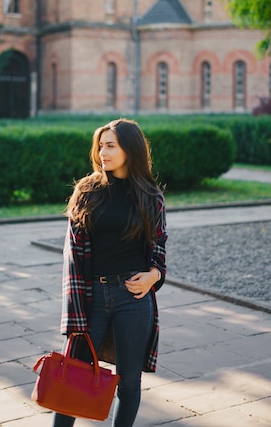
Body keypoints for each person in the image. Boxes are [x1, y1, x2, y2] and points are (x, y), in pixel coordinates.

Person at [53, 118, 167, 427]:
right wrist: (74, 314)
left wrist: (155, 275)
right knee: (72, 377)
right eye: (100, 146)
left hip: (132, 297)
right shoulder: (87, 190)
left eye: (110, 146)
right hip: (91, 296)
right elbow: (72, 255)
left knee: (128, 383)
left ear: (130, 149)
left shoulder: (150, 196)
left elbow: (159, 244)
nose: (102, 152)